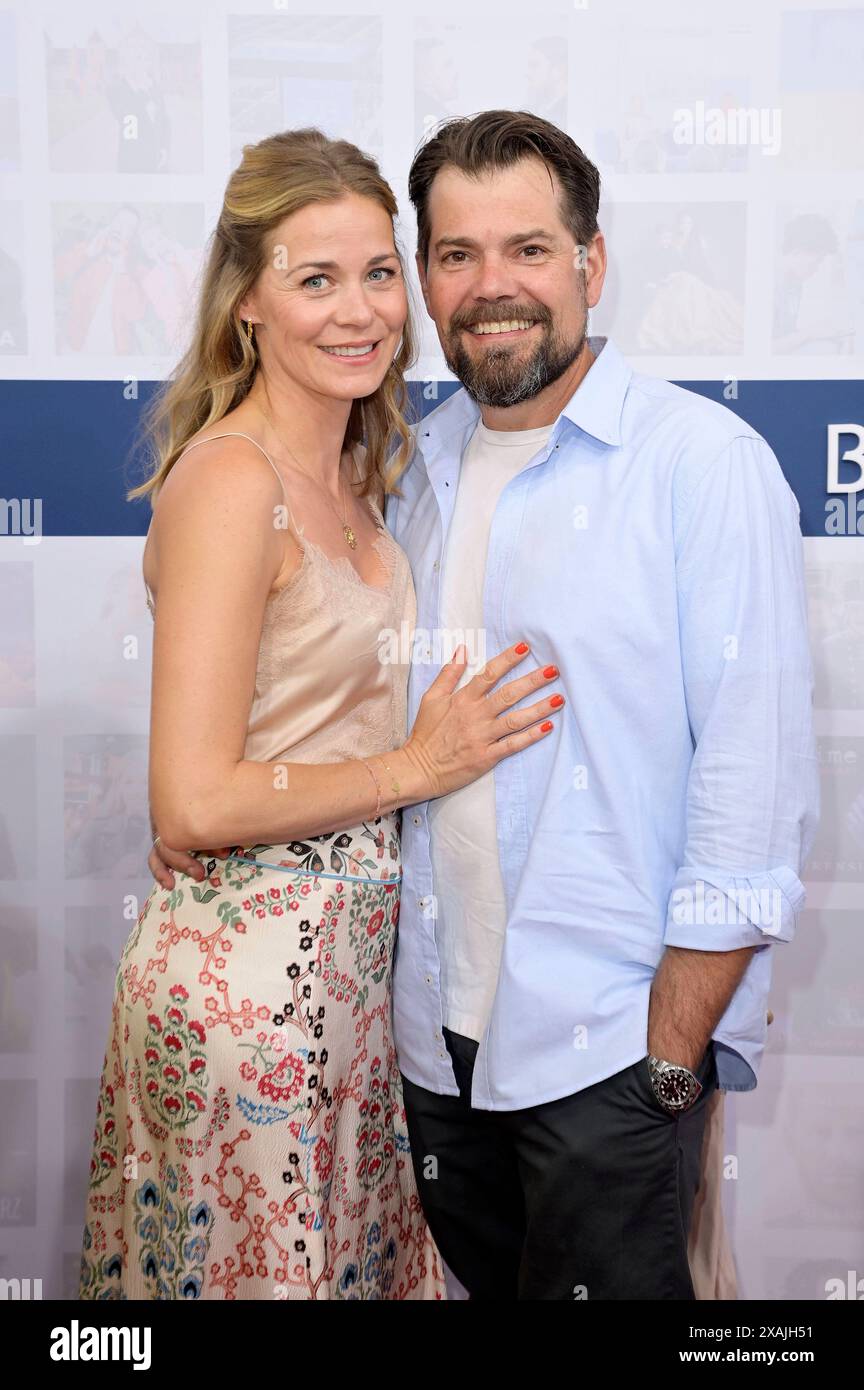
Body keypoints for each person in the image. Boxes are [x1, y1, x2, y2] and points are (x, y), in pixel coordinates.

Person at [77, 127, 565, 1301]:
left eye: (380, 272)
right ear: (248, 300)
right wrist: (418, 765)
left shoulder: (359, 468)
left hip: (350, 996)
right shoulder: (231, 482)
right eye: (315, 279)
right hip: (245, 1003)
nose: (360, 312)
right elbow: (191, 796)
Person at [381, 109, 818, 1300]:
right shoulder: (407, 471)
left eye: (528, 248)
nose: (492, 287)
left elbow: (752, 786)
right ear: (426, 277)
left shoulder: (700, 465)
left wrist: (666, 1067)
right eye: (457, 255)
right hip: (435, 1059)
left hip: (608, 1068)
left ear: (592, 261)